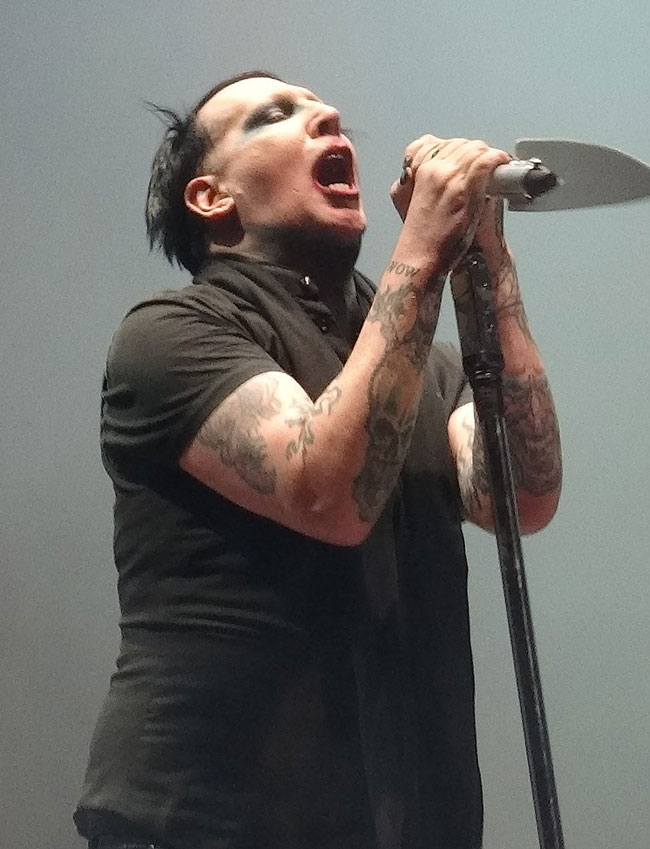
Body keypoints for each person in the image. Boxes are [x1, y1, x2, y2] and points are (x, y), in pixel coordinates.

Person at [74, 71, 562, 849]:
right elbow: (326, 493)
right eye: (275, 115)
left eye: (322, 109)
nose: (328, 115)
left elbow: (521, 498)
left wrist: (488, 266)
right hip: (211, 821)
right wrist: (421, 249)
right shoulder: (170, 335)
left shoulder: (425, 370)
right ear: (211, 196)